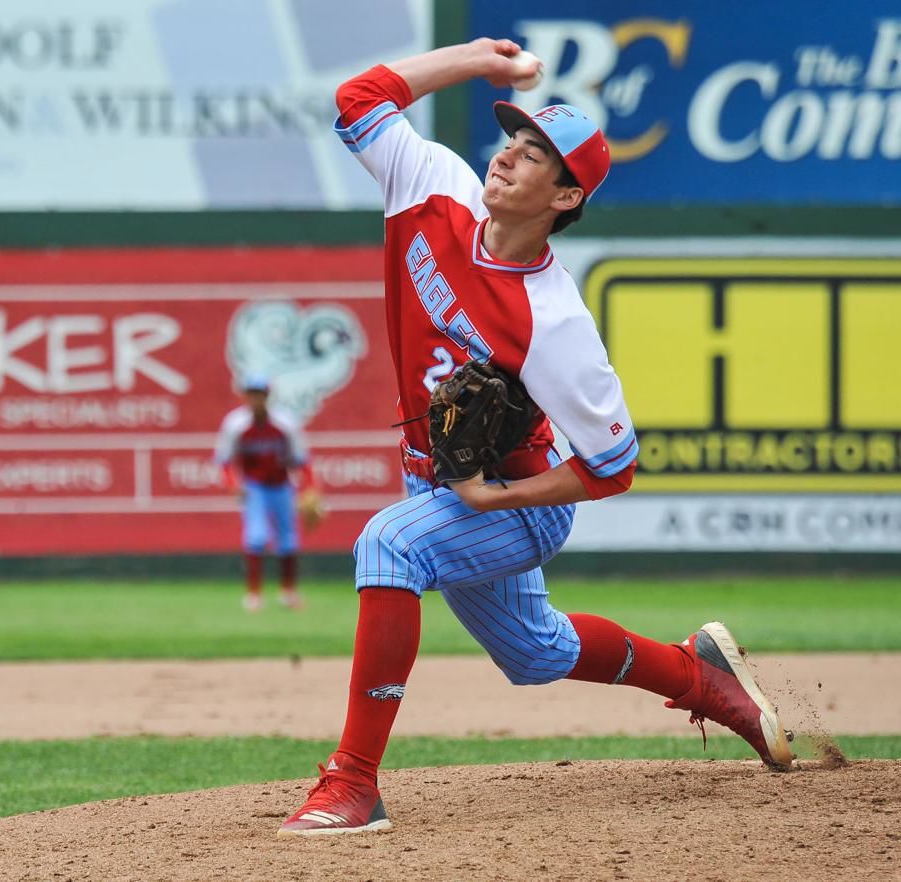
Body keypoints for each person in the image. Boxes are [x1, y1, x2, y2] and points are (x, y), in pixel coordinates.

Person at [277, 38, 793, 837]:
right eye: (512, 141)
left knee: (389, 547)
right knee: (536, 654)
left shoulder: (554, 324)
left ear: (565, 196)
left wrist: (501, 495)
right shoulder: (433, 188)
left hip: (520, 502)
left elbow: (613, 467)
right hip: (440, 485)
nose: (509, 159)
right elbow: (356, 100)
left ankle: (352, 786)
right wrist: (475, 59)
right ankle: (701, 675)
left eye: (536, 156)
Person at [214, 374, 320, 611]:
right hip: (254, 487)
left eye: (259, 393)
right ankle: (253, 595)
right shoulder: (236, 424)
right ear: (245, 396)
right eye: (252, 393)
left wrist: (311, 487)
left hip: (282, 486)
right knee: (257, 538)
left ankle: (288, 593)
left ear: (267, 395)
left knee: (288, 541)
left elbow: (302, 460)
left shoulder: (285, 422)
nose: (256, 398)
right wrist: (233, 485)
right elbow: (224, 461)